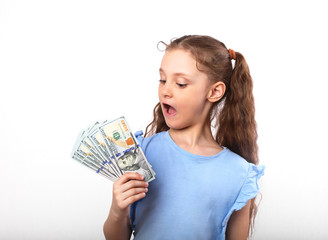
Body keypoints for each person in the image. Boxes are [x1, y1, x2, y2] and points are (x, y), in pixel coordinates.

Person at [103, 35, 265, 240]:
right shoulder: (138, 153)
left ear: (215, 91)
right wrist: (117, 212)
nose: (165, 91)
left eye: (180, 84)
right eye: (162, 80)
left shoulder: (240, 174)